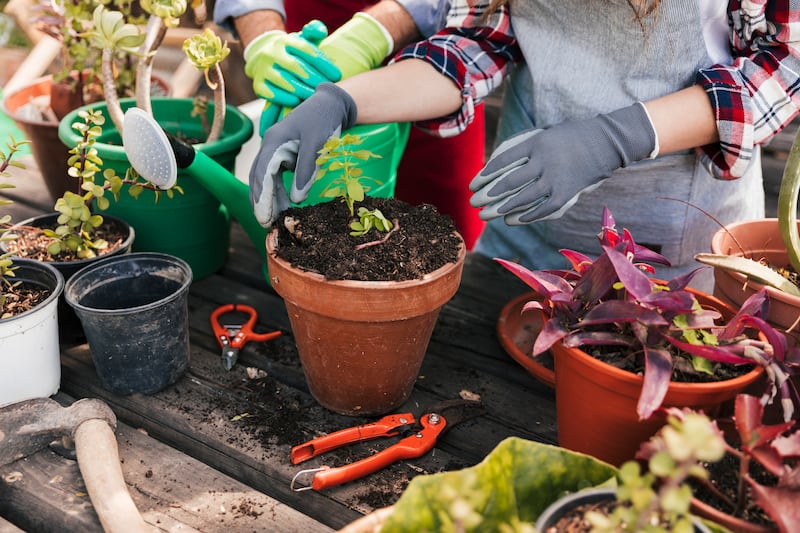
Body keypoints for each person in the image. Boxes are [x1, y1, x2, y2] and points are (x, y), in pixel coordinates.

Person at [248, 0, 800, 292]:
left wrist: (618, 136)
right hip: (530, 243)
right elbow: (472, 43)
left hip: (679, 256)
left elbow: (787, 62)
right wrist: (343, 100)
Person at [213, 0, 487, 249]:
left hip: (434, 75)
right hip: (310, 60)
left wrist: (373, 32)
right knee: (312, 225)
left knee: (441, 242)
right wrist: (265, 40)